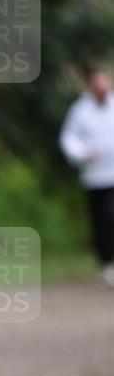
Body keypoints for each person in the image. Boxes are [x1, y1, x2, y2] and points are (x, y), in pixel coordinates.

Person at [59, 70, 114, 288]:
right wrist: (82, 153)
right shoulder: (80, 111)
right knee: (100, 221)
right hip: (94, 176)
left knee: (112, 216)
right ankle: (107, 263)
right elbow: (68, 138)